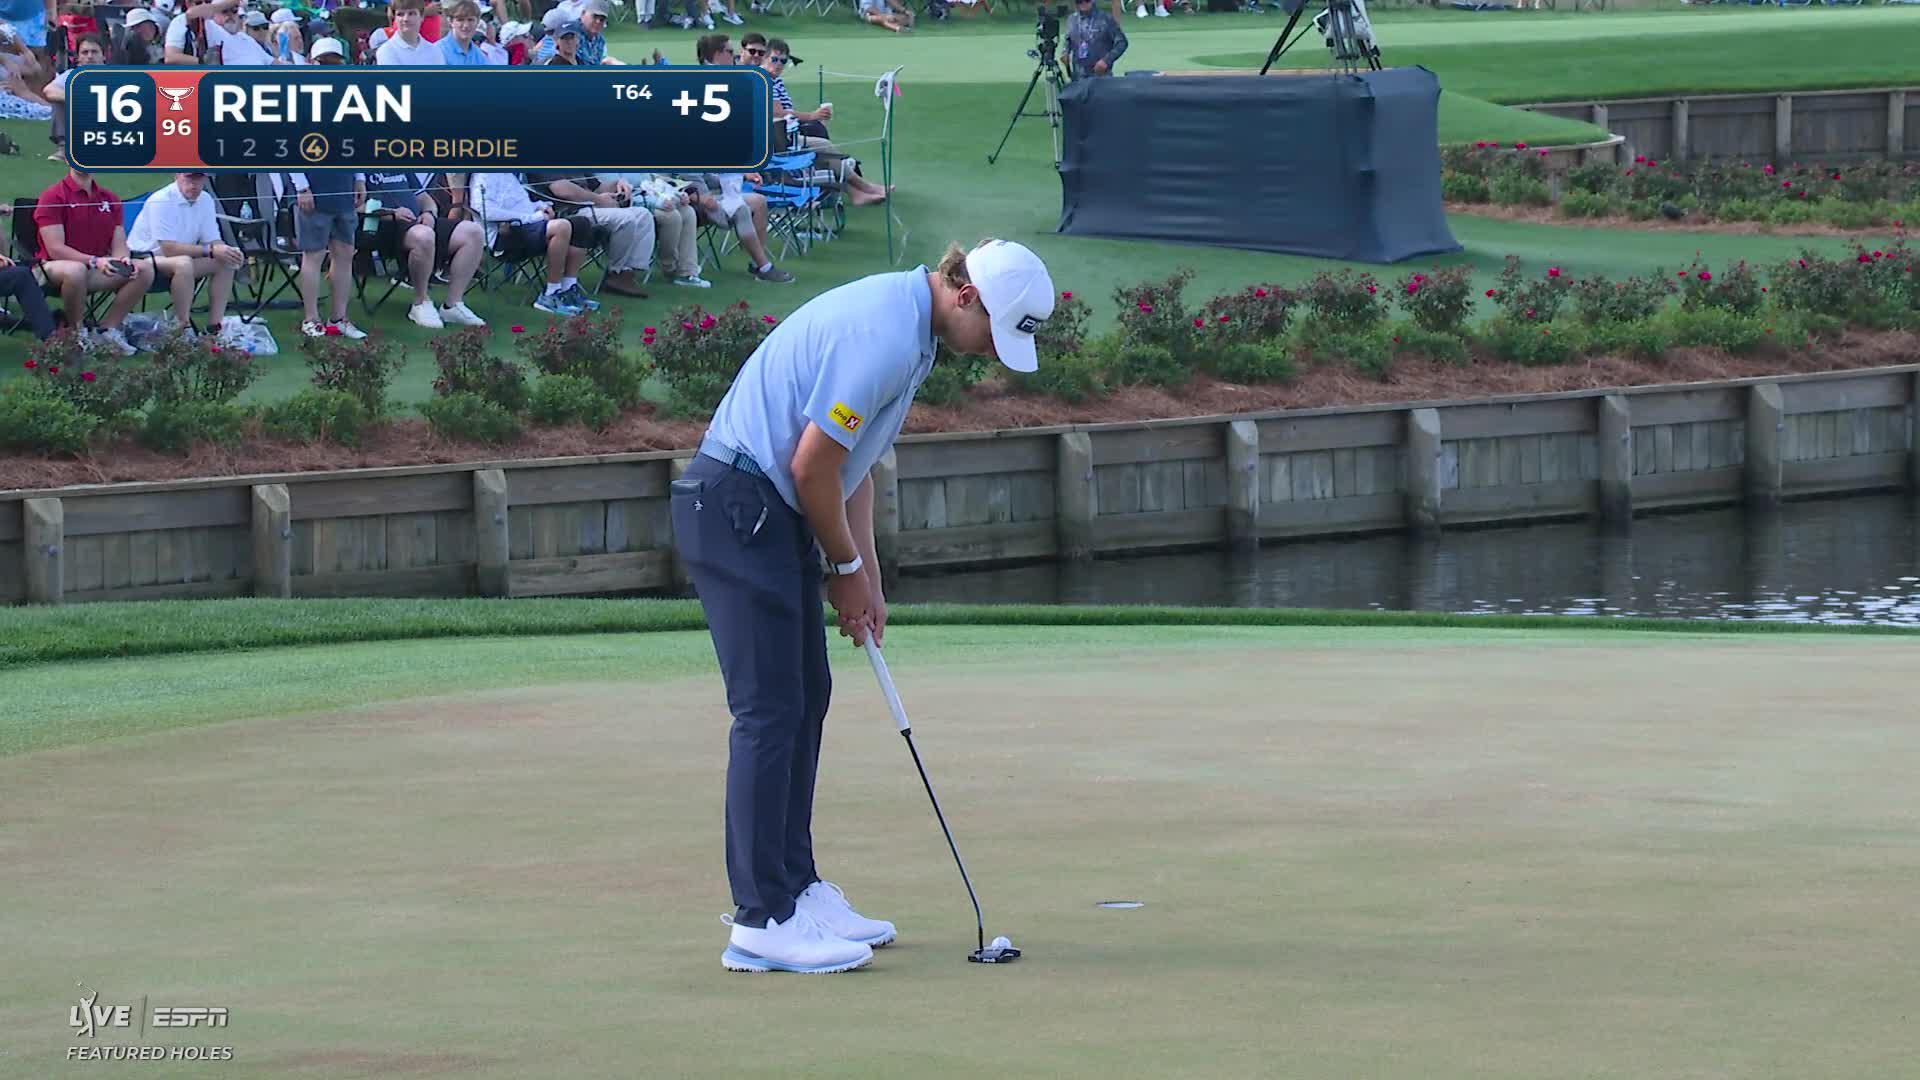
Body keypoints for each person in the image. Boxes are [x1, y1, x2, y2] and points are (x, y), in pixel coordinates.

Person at [671, 239, 1056, 974]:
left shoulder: (914, 332)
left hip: (765, 508)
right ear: (966, 295)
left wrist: (867, 579)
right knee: (769, 710)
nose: (990, 353)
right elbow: (811, 464)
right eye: (994, 334)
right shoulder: (884, 332)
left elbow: (852, 467)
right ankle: (761, 921)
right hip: (737, 503)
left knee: (804, 697)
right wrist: (842, 566)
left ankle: (797, 889)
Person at [692, 34, 791, 284]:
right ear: (715, 56)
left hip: (716, 179)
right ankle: (765, 267)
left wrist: (744, 171)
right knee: (744, 209)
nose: (733, 55)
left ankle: (759, 264)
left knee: (758, 201)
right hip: (697, 188)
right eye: (728, 51)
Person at [33, 166, 154, 354]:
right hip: (50, 268)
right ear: (67, 158)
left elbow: (119, 242)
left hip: (94, 268)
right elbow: (55, 249)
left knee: (144, 268)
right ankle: (77, 333)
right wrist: (95, 261)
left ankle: (106, 331)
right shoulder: (53, 196)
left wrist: (122, 260)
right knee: (75, 270)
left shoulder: (110, 198)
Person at [125, 171, 243, 336]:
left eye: (199, 178)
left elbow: (213, 239)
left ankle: (214, 328)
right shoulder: (161, 200)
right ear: (177, 176)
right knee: (184, 263)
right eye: (189, 178)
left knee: (225, 261)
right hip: (144, 260)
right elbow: (168, 248)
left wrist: (226, 251)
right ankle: (182, 325)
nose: (194, 185)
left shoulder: (206, 199)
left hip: (178, 261)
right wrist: (211, 250)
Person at [364, 171, 487, 328]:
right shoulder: (359, 171)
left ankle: (453, 305)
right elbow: (355, 206)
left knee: (474, 232)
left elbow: (424, 198)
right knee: (424, 236)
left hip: (417, 222)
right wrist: (391, 212)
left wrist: (429, 213)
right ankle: (421, 302)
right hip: (382, 228)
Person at [289, 168, 368, 338]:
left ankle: (338, 320)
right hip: (314, 191)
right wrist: (302, 187)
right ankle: (311, 320)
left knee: (345, 254)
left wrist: (360, 178)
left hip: (345, 193)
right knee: (313, 255)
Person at [1066, 0, 1126, 81]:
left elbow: (1122, 42)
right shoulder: (1072, 19)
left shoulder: (1105, 18)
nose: (1083, 3)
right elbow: (1068, 39)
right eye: (1079, 1)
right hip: (1078, 75)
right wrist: (1065, 51)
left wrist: (1106, 60)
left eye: (1087, 0)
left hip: (1101, 74)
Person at [375, 0, 444, 64]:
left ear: (422, 16)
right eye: (400, 14)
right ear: (395, 18)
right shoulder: (386, 51)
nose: (405, 19)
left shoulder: (435, 51)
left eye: (411, 14)